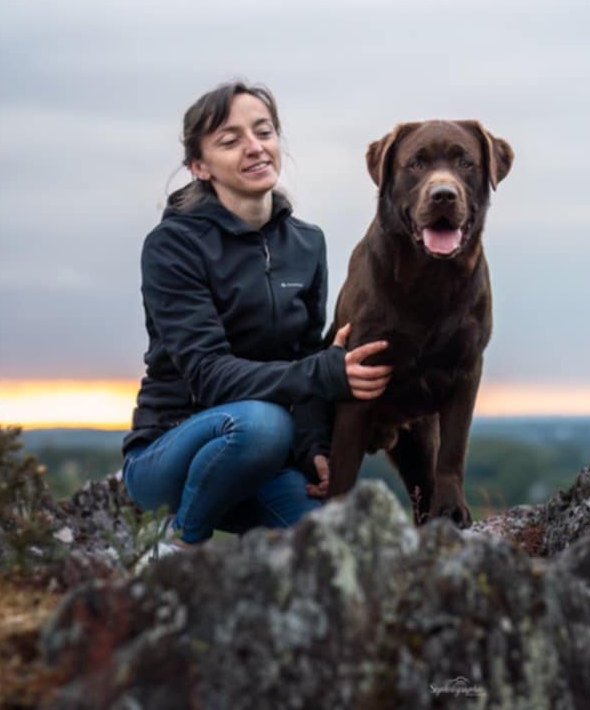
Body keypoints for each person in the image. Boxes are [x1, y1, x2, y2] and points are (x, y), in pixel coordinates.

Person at [121, 81, 392, 546]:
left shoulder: (308, 243)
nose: (254, 148)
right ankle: (179, 544)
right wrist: (322, 373)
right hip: (171, 454)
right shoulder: (173, 246)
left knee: (328, 543)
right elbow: (208, 374)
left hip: (264, 462)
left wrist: (313, 449)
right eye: (230, 141)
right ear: (199, 166)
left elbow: (304, 349)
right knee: (264, 424)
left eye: (263, 132)